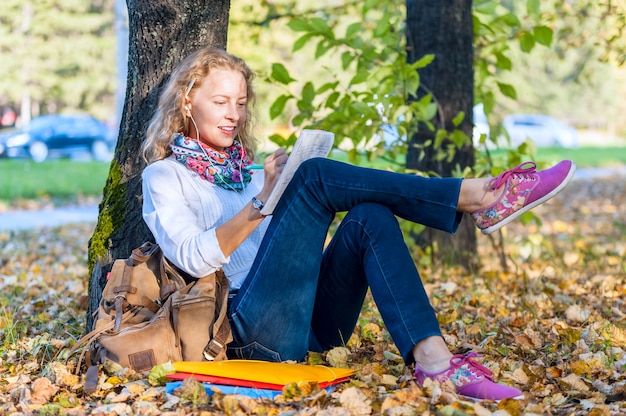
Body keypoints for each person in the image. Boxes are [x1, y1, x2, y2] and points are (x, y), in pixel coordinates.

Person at [140, 47, 576, 401]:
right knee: (312, 178)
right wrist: (262, 202)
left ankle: (435, 363)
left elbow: (289, 254)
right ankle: (475, 196)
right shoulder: (165, 175)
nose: (233, 114)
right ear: (186, 100)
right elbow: (192, 259)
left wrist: (273, 191)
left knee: (369, 217)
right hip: (247, 334)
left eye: (240, 103)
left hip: (312, 323)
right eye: (220, 102)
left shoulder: (250, 172)